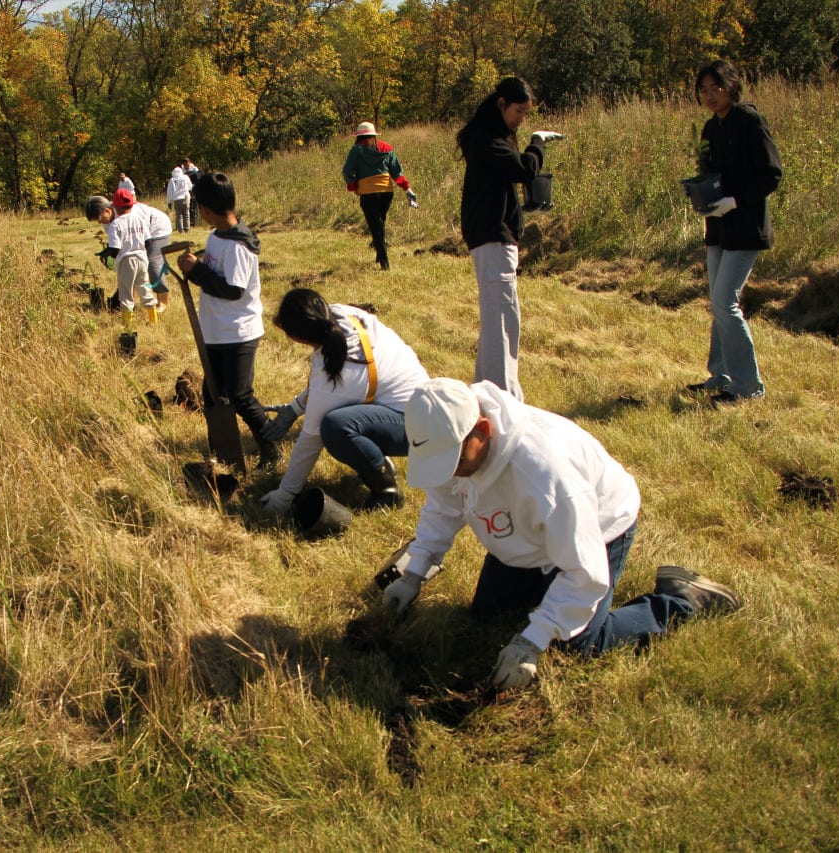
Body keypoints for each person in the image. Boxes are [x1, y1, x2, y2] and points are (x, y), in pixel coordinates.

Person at [379, 377, 742, 691]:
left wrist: (533, 641)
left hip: (598, 528)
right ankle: (543, 584)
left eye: (457, 463)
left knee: (581, 642)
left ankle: (682, 601)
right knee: (489, 616)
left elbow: (585, 571)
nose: (452, 473)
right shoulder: (450, 437)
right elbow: (444, 507)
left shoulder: (545, 476)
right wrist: (414, 572)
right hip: (531, 539)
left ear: (484, 430)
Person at [258, 289, 430, 515]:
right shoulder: (344, 315)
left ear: (298, 338)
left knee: (335, 427)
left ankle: (386, 490)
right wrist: (296, 408)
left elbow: (310, 441)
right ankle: (376, 458)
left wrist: (285, 494)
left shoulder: (341, 373)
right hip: (421, 403)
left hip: (418, 426)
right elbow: (326, 391)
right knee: (339, 416)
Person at [455, 78, 564, 402]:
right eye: (519, 111)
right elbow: (523, 169)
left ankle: (487, 393)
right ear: (501, 104)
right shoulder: (486, 139)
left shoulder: (487, 138)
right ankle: (505, 399)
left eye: (526, 114)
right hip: (492, 238)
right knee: (503, 318)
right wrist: (537, 144)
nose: (521, 118)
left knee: (497, 318)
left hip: (492, 236)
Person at [686, 60, 783, 405]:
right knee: (717, 302)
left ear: (731, 87)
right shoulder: (712, 128)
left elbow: (771, 174)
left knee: (726, 302)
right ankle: (721, 377)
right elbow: (710, 171)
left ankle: (748, 385)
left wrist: (735, 201)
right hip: (718, 227)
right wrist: (701, 192)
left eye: (716, 89)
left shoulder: (749, 121)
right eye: (703, 90)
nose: (709, 96)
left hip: (745, 226)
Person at [176, 172, 277, 467]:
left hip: (239, 333)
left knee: (240, 395)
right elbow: (214, 277)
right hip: (217, 331)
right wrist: (195, 268)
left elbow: (233, 289)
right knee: (212, 395)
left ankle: (271, 447)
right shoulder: (216, 237)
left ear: (205, 209)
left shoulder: (239, 245)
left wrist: (198, 271)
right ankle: (224, 453)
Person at [341, 122, 416, 271]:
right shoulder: (386, 148)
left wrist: (354, 186)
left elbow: (347, 172)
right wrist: (407, 189)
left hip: (369, 194)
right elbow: (397, 171)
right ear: (374, 135)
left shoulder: (356, 151)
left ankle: (385, 264)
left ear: (358, 136)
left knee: (376, 228)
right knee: (380, 222)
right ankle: (379, 255)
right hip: (387, 193)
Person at [86, 190, 158, 324]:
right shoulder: (140, 219)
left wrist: (110, 259)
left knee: (126, 292)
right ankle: (153, 320)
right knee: (144, 288)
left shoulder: (115, 225)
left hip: (126, 261)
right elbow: (148, 241)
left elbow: (115, 248)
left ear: (113, 208)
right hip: (142, 259)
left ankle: (127, 325)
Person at [166, 166, 193, 233]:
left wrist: (169, 202)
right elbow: (190, 187)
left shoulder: (172, 180)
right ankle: (187, 229)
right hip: (185, 197)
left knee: (179, 215)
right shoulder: (185, 177)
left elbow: (169, 192)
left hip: (177, 199)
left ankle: (180, 230)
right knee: (186, 214)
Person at [181, 158, 202, 225]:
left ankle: (195, 222)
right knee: (188, 205)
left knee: (195, 205)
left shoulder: (195, 170)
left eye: (187, 164)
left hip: (194, 189)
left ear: (189, 163)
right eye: (185, 165)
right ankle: (189, 222)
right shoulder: (181, 171)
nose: (186, 166)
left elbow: (198, 179)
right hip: (186, 190)